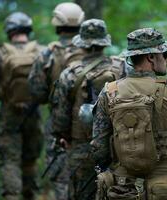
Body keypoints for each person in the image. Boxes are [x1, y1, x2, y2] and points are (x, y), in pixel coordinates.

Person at [91, 28, 167, 200]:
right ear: (151, 57)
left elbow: (99, 150)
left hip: (123, 189)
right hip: (164, 188)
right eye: (165, 53)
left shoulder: (109, 92)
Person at [50, 19, 126, 200]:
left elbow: (60, 118)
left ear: (81, 44)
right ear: (104, 43)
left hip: (82, 149)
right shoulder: (121, 68)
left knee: (82, 194)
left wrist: (64, 138)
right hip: (118, 146)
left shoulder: (69, 74)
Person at [0, 12, 44, 200]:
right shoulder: (41, 51)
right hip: (33, 113)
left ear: (9, 31)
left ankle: (12, 196)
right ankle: (30, 193)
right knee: (30, 160)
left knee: (9, 160)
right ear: (27, 30)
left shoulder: (0, 53)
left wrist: (1, 91)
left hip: (9, 114)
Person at [28, 2, 85, 199]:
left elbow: (36, 91)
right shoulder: (92, 51)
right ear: (80, 23)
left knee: (61, 178)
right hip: (90, 121)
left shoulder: (47, 54)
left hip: (57, 124)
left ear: (56, 24)